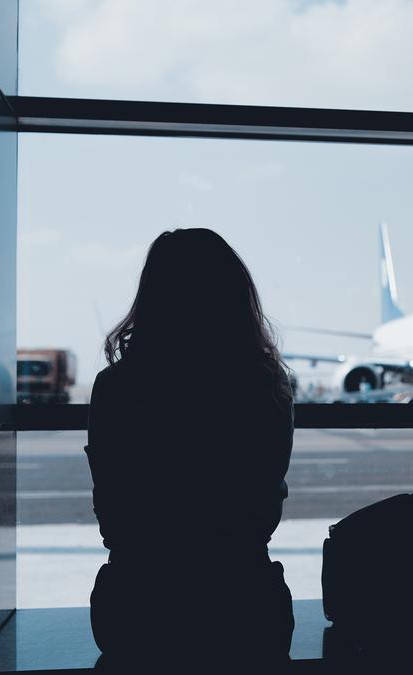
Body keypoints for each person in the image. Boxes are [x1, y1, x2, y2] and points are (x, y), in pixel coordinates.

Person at [84, 228, 295, 668]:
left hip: (137, 607)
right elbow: (260, 510)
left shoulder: (116, 389)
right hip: (246, 605)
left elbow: (115, 515)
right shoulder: (266, 389)